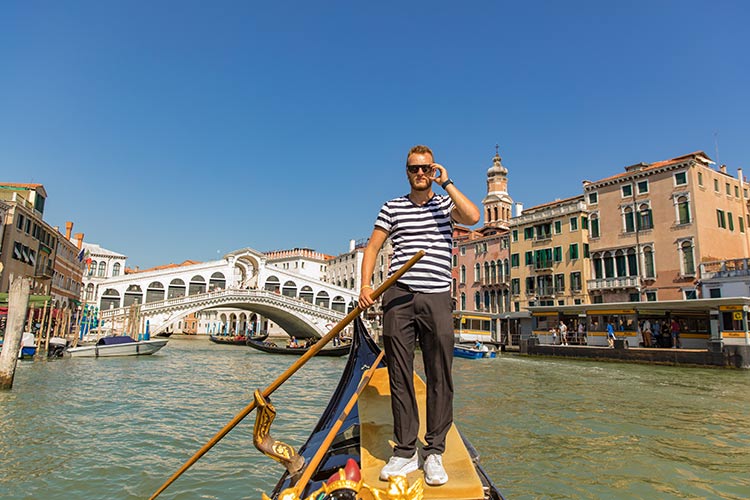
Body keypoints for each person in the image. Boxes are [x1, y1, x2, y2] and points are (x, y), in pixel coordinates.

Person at [358, 144, 480, 487]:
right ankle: (406, 450)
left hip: (437, 297)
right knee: (399, 372)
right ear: (407, 172)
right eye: (415, 169)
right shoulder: (392, 207)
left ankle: (435, 450)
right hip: (398, 296)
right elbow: (373, 246)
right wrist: (366, 285)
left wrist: (449, 182)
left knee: (439, 373)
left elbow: (473, 218)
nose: (421, 173)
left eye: (427, 168)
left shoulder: (445, 205)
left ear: (434, 170)